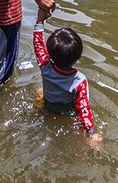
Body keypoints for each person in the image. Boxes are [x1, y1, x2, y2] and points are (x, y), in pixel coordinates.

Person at [33, 8, 100, 142]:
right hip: (66, 114)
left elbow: (38, 45)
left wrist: (40, 20)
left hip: (48, 105)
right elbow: (84, 109)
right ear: (79, 54)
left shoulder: (45, 66)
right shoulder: (79, 81)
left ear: (50, 53)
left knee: (39, 92)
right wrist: (90, 134)